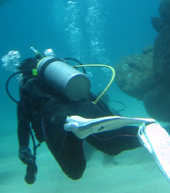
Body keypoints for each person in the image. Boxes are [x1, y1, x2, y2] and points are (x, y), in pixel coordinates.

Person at [10, 54, 141, 184]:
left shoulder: (28, 88)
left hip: (55, 118)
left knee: (74, 171)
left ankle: (73, 135)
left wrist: (23, 147)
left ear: (24, 74)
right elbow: (92, 98)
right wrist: (112, 121)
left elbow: (23, 123)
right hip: (86, 108)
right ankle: (142, 132)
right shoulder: (64, 81)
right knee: (111, 147)